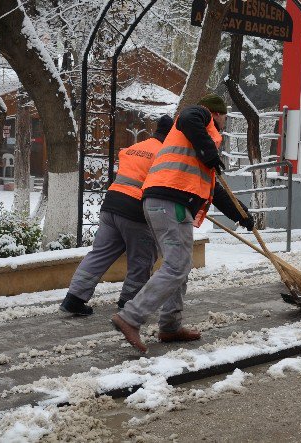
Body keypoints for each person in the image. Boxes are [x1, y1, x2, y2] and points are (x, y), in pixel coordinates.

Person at [110, 93, 255, 353]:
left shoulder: (193, 143)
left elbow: (217, 192)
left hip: (161, 200)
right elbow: (188, 115)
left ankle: (170, 325)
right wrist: (209, 151)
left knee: (180, 264)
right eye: (223, 117)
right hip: (170, 202)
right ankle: (130, 316)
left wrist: (241, 215)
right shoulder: (199, 117)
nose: (222, 124)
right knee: (178, 265)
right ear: (218, 113)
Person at [59, 115, 174, 315]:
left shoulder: (138, 147)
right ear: (172, 135)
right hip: (135, 211)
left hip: (111, 206)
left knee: (99, 254)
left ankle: (73, 301)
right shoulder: (165, 153)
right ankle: (128, 306)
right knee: (141, 259)